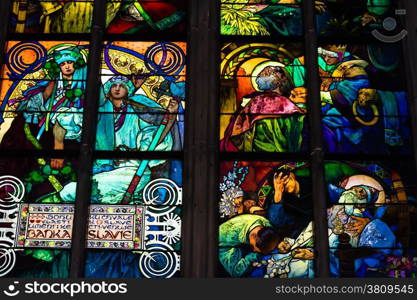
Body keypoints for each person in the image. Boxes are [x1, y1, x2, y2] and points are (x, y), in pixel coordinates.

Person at [220, 64, 306, 152]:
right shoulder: (289, 105)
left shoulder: (258, 101)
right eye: (262, 73)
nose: (260, 76)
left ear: (278, 82)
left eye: (265, 74)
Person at [219, 214, 287, 277]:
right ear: (253, 236)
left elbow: (271, 238)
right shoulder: (228, 234)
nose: (253, 250)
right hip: (223, 245)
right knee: (236, 272)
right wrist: (253, 256)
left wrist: (278, 244)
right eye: (254, 248)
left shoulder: (266, 224)